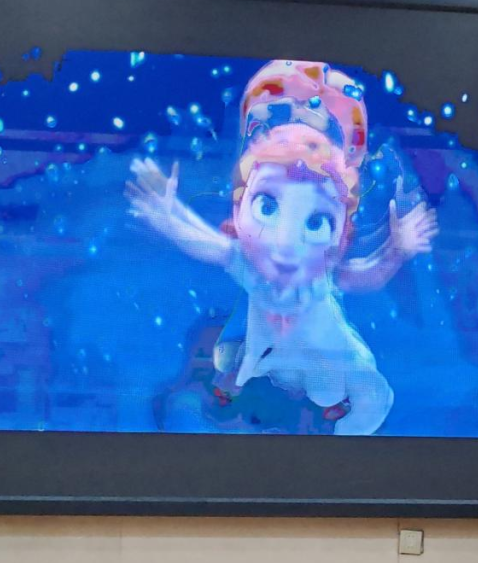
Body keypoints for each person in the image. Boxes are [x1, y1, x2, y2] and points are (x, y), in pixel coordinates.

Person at [126, 60, 437, 435]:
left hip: (325, 358)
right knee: (236, 361)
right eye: (267, 207)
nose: (286, 243)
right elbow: (206, 244)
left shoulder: (319, 278)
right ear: (239, 211)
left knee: (369, 396)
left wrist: (398, 248)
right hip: (265, 357)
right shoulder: (249, 265)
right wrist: (168, 214)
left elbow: (368, 275)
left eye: (316, 222)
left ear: (340, 238)